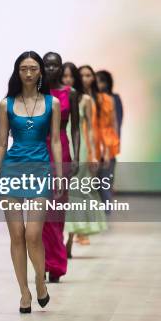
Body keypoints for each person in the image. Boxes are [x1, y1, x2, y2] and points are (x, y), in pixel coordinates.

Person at [0, 51, 60, 313]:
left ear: (40, 71)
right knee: (16, 235)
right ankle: (24, 292)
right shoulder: (5, 104)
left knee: (33, 235)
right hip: (12, 170)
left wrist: (60, 174)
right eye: (23, 69)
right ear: (17, 72)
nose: (28, 73)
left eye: (33, 68)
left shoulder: (52, 103)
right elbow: (0, 142)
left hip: (40, 170)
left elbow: (54, 140)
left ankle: (40, 282)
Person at [41, 52, 79, 283]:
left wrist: (75, 155)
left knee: (57, 208)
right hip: (39, 149)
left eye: (55, 65)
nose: (51, 68)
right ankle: (45, 262)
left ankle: (55, 263)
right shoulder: (36, 92)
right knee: (41, 209)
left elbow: (75, 127)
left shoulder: (70, 93)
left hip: (62, 149)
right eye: (47, 64)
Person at [61, 63, 107, 255]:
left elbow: (90, 129)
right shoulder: (56, 98)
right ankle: (64, 238)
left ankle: (71, 238)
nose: (68, 80)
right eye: (65, 76)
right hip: (62, 144)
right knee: (63, 194)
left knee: (77, 194)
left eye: (71, 77)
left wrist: (94, 153)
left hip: (80, 149)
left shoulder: (86, 99)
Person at [79, 66, 120, 211]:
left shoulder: (105, 100)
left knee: (102, 185)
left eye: (89, 75)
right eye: (82, 75)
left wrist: (106, 150)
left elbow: (108, 126)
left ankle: (99, 219)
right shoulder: (74, 97)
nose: (85, 79)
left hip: (98, 145)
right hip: (80, 145)